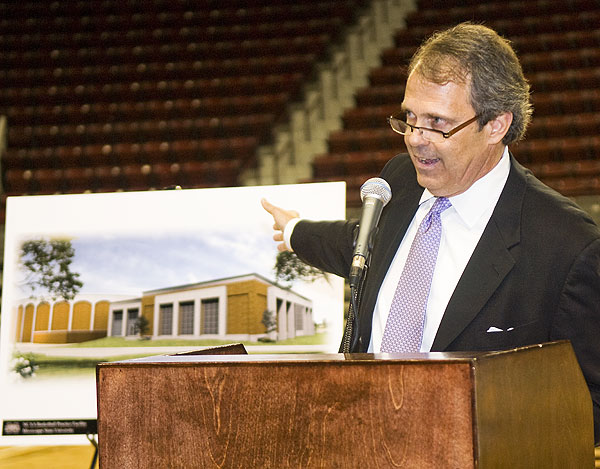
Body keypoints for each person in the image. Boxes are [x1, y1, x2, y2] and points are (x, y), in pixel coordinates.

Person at [261, 22, 600, 443]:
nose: (415, 140)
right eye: (409, 118)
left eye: (437, 122)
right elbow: (360, 244)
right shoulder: (401, 180)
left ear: (495, 124)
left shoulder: (567, 247)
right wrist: (294, 230)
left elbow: (590, 408)